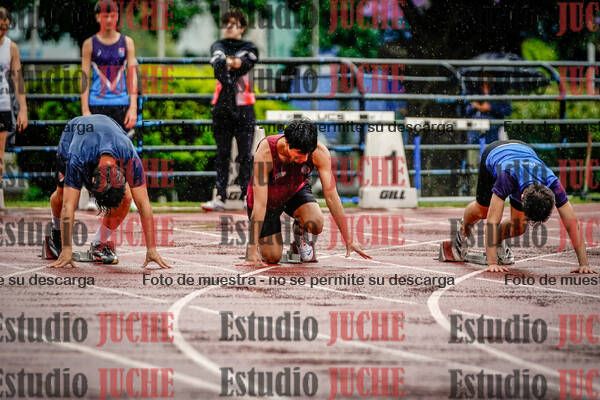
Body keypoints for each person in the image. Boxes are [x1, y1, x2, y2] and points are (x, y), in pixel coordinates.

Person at [47, 114, 171, 269]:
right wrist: (67, 250)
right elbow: (68, 205)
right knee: (62, 195)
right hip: (73, 134)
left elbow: (143, 203)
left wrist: (151, 249)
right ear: (92, 180)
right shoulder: (77, 158)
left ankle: (99, 243)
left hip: (106, 130)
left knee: (127, 198)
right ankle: (55, 232)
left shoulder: (130, 157)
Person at [453, 140, 595, 274]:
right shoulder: (507, 177)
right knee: (483, 210)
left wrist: (584, 264)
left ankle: (498, 241)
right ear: (522, 197)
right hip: (495, 152)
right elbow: (492, 222)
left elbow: (572, 224)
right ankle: (463, 229)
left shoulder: (553, 183)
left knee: (519, 226)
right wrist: (492, 263)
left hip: (523, 150)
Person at [242, 120, 370, 266]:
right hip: (268, 200)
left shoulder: (319, 152)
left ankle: (299, 235)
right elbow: (260, 204)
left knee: (316, 223)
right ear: (287, 143)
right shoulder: (266, 152)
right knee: (272, 257)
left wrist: (349, 240)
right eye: (300, 153)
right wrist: (251, 250)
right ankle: (261, 244)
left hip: (294, 191)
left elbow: (332, 197)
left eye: (308, 154)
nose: (304, 159)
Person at [202, 9, 258, 212]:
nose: (229, 28)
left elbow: (244, 64)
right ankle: (220, 197)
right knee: (222, 153)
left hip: (244, 106)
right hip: (222, 106)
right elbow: (217, 65)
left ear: (242, 28)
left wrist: (229, 63)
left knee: (245, 154)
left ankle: (246, 196)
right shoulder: (217, 45)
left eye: (234, 25)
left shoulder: (250, 47)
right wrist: (229, 63)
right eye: (227, 24)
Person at [81, 0, 138, 131]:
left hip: (121, 104)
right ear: (97, 17)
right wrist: (85, 110)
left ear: (117, 17)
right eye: (105, 16)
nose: (108, 20)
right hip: (96, 104)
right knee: (98, 144)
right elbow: (84, 78)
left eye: (112, 16)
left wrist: (133, 108)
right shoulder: (89, 44)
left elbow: (132, 76)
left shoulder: (127, 42)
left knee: (120, 144)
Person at [0, 7, 28, 209]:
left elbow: (18, 81)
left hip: (2, 105)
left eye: (5, 27)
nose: (2, 31)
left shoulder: (11, 47)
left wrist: (23, 110)